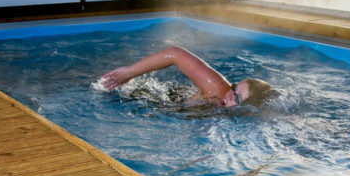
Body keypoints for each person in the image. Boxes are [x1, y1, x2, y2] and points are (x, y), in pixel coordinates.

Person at [101, 45, 272, 107]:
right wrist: (129, 73)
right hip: (164, 98)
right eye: (234, 88)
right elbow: (175, 53)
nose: (230, 94)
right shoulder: (218, 89)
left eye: (237, 97)